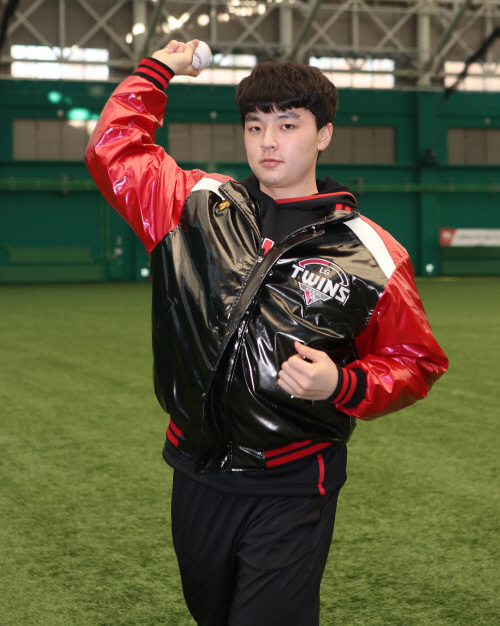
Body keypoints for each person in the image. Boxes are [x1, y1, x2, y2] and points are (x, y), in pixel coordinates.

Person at [85, 39, 448, 626]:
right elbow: (114, 152)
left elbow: (417, 360)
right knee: (214, 613)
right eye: (255, 126)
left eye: (288, 124)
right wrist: (157, 73)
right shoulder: (194, 205)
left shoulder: (374, 254)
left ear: (323, 133)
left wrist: (342, 382)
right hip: (196, 469)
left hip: (295, 478)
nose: (269, 141)